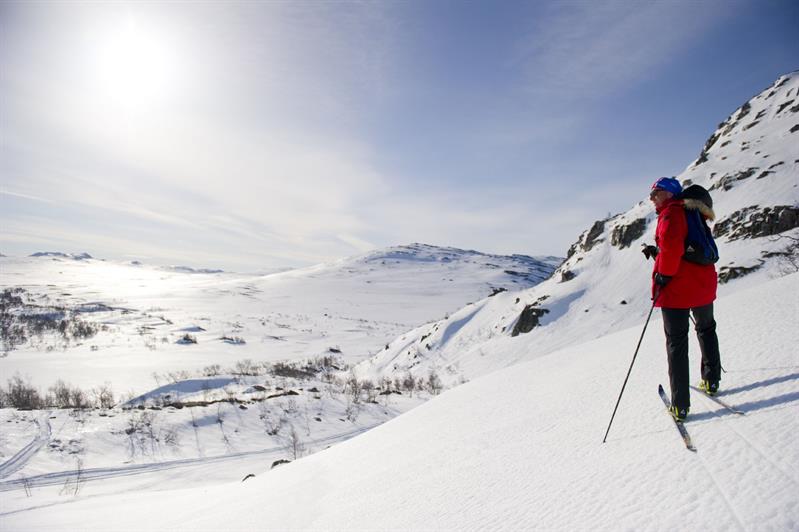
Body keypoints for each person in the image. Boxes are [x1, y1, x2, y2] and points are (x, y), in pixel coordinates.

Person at [645, 177, 721, 421]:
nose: (652, 197)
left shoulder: (670, 214)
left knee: (676, 343)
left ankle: (680, 405)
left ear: (669, 193)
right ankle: (711, 381)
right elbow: (688, 248)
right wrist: (656, 252)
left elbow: (672, 249)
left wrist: (663, 277)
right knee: (706, 329)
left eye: (656, 192)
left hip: (678, 289)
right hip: (703, 285)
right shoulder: (692, 213)